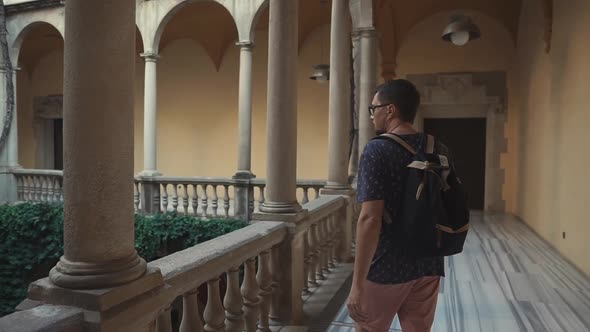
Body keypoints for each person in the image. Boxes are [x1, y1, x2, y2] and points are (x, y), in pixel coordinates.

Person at [348, 79, 447, 332]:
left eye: (374, 109)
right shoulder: (436, 148)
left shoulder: (377, 150)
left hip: (387, 264)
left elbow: (370, 219)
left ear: (390, 110)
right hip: (428, 260)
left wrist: (357, 284)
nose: (372, 115)